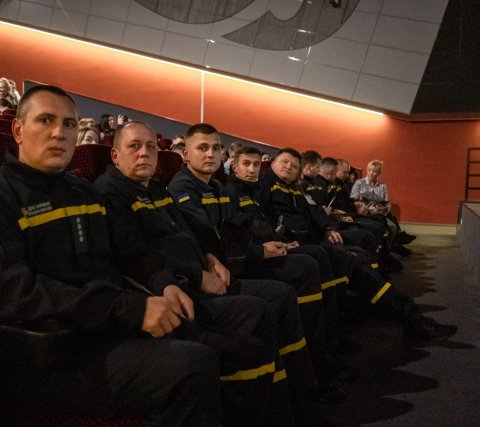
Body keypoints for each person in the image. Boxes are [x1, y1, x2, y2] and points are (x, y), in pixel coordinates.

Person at [0, 85, 221, 425]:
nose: (59, 133)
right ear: (18, 131)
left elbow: (128, 251)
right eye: (46, 121)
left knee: (232, 341)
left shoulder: (83, 191)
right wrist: (128, 308)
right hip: (54, 351)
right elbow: (13, 293)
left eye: (69, 124)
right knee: (193, 366)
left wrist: (163, 283)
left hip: (108, 328)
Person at [94, 121, 294, 425]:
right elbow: (136, 254)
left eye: (151, 147)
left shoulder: (157, 189)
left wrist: (210, 257)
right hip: (175, 289)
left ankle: (275, 409)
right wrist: (198, 276)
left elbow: (190, 232)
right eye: (134, 146)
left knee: (271, 302)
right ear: (115, 155)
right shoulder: (110, 193)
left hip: (200, 276)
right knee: (258, 311)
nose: (144, 153)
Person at [168, 123, 339, 406]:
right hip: (216, 275)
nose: (210, 154)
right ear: (185, 154)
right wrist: (258, 252)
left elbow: (235, 230)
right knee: (295, 278)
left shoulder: (216, 187)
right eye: (203, 148)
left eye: (215, 148)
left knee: (304, 270)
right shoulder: (182, 189)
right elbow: (209, 239)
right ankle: (303, 381)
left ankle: (308, 372)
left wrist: (266, 245)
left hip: (235, 263)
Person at [259, 148, 457, 340]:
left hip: (314, 240)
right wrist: (281, 240)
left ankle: (397, 312)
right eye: (284, 162)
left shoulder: (295, 189)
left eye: (294, 165)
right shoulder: (265, 183)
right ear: (273, 163)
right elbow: (261, 219)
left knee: (359, 257)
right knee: (351, 260)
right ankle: (408, 317)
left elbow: (314, 213)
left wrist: (328, 228)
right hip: (293, 245)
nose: (289, 167)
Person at [351, 160, 416, 249]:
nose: (371, 173)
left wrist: (383, 209)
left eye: (374, 171)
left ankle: (392, 246)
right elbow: (353, 200)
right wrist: (365, 207)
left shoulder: (382, 186)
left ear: (379, 173)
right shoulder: (359, 183)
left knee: (392, 226)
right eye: (369, 170)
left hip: (378, 212)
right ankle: (394, 244)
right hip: (364, 212)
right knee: (390, 226)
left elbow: (388, 203)